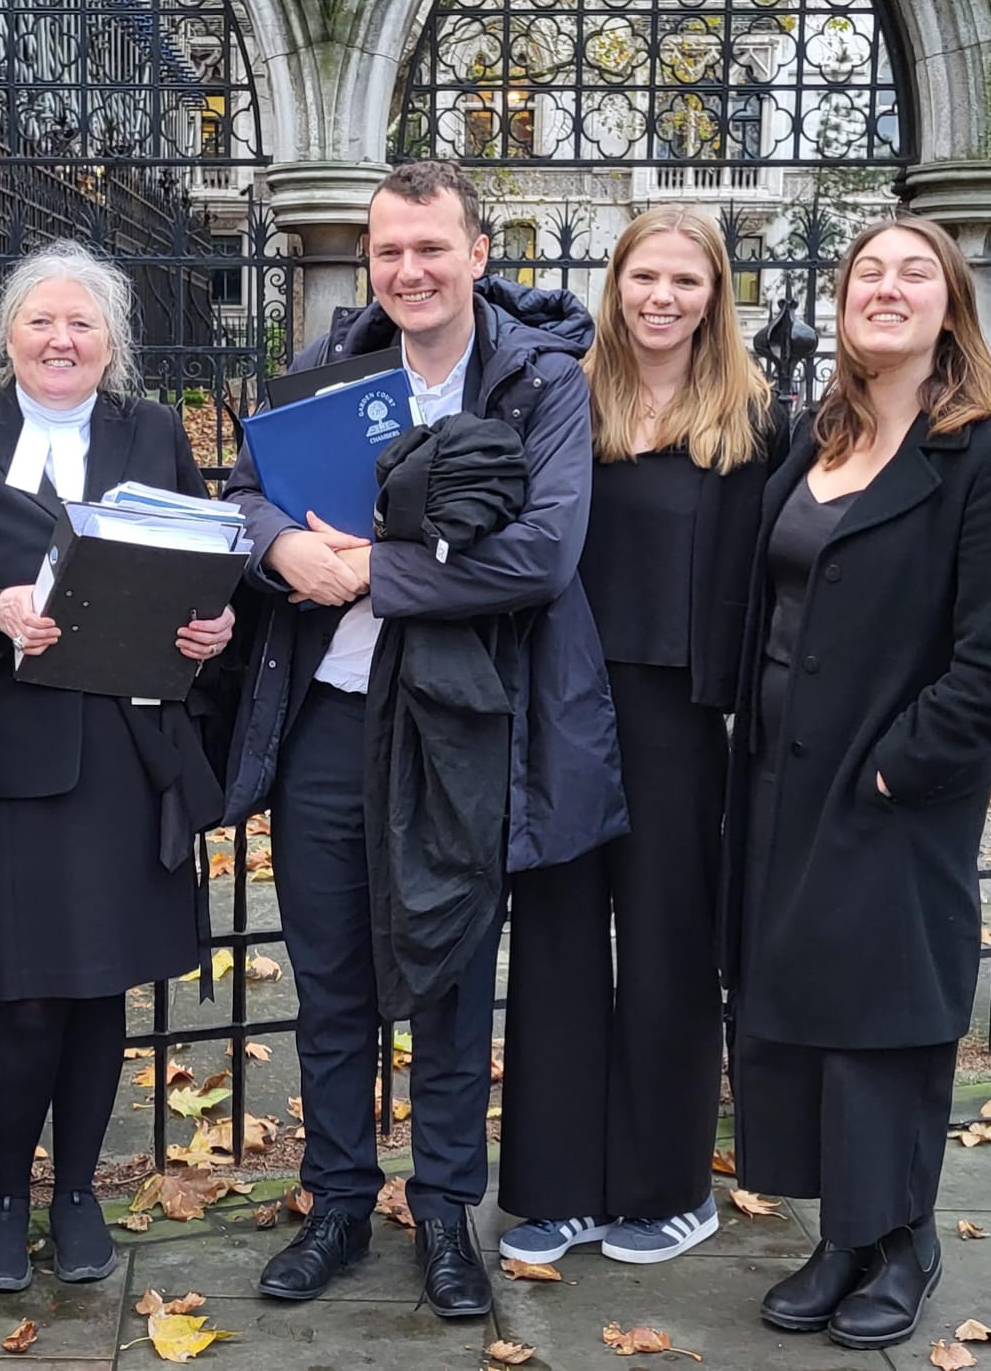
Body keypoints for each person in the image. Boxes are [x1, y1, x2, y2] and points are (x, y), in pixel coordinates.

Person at [223, 160, 626, 1318]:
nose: (408, 270)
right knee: (331, 979)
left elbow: (543, 556)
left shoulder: (537, 382)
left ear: (477, 254)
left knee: (449, 978)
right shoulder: (330, 370)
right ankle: (339, 1201)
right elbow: (250, 490)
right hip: (326, 724)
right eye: (389, 250)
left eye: (430, 248)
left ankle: (446, 1212)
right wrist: (276, 551)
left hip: (458, 725)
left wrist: (372, 570)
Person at [723, 216, 991, 1351]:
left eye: (915, 273)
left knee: (880, 1020)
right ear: (841, 300)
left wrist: (896, 769)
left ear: (950, 305)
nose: (887, 288)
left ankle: (899, 1238)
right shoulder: (815, 440)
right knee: (800, 1012)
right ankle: (840, 1237)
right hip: (776, 777)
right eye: (868, 271)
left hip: (886, 786)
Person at [0, 240, 234, 1293]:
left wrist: (211, 628)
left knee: (101, 991)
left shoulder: (150, 432)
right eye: (41, 322)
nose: (61, 340)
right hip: (10, 758)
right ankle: (7, 1193)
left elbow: (199, 565)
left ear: (113, 343)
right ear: (6, 333)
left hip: (125, 754)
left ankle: (79, 1191)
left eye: (83, 325)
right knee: (26, 995)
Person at [498, 206, 785, 1268]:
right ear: (614, 285)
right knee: (558, 940)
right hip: (566, 697)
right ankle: (556, 1185)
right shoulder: (565, 401)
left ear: (715, 296)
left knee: (668, 945)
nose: (661, 298)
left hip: (681, 714)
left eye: (685, 281)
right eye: (643, 278)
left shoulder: (755, 421)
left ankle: (668, 1185)